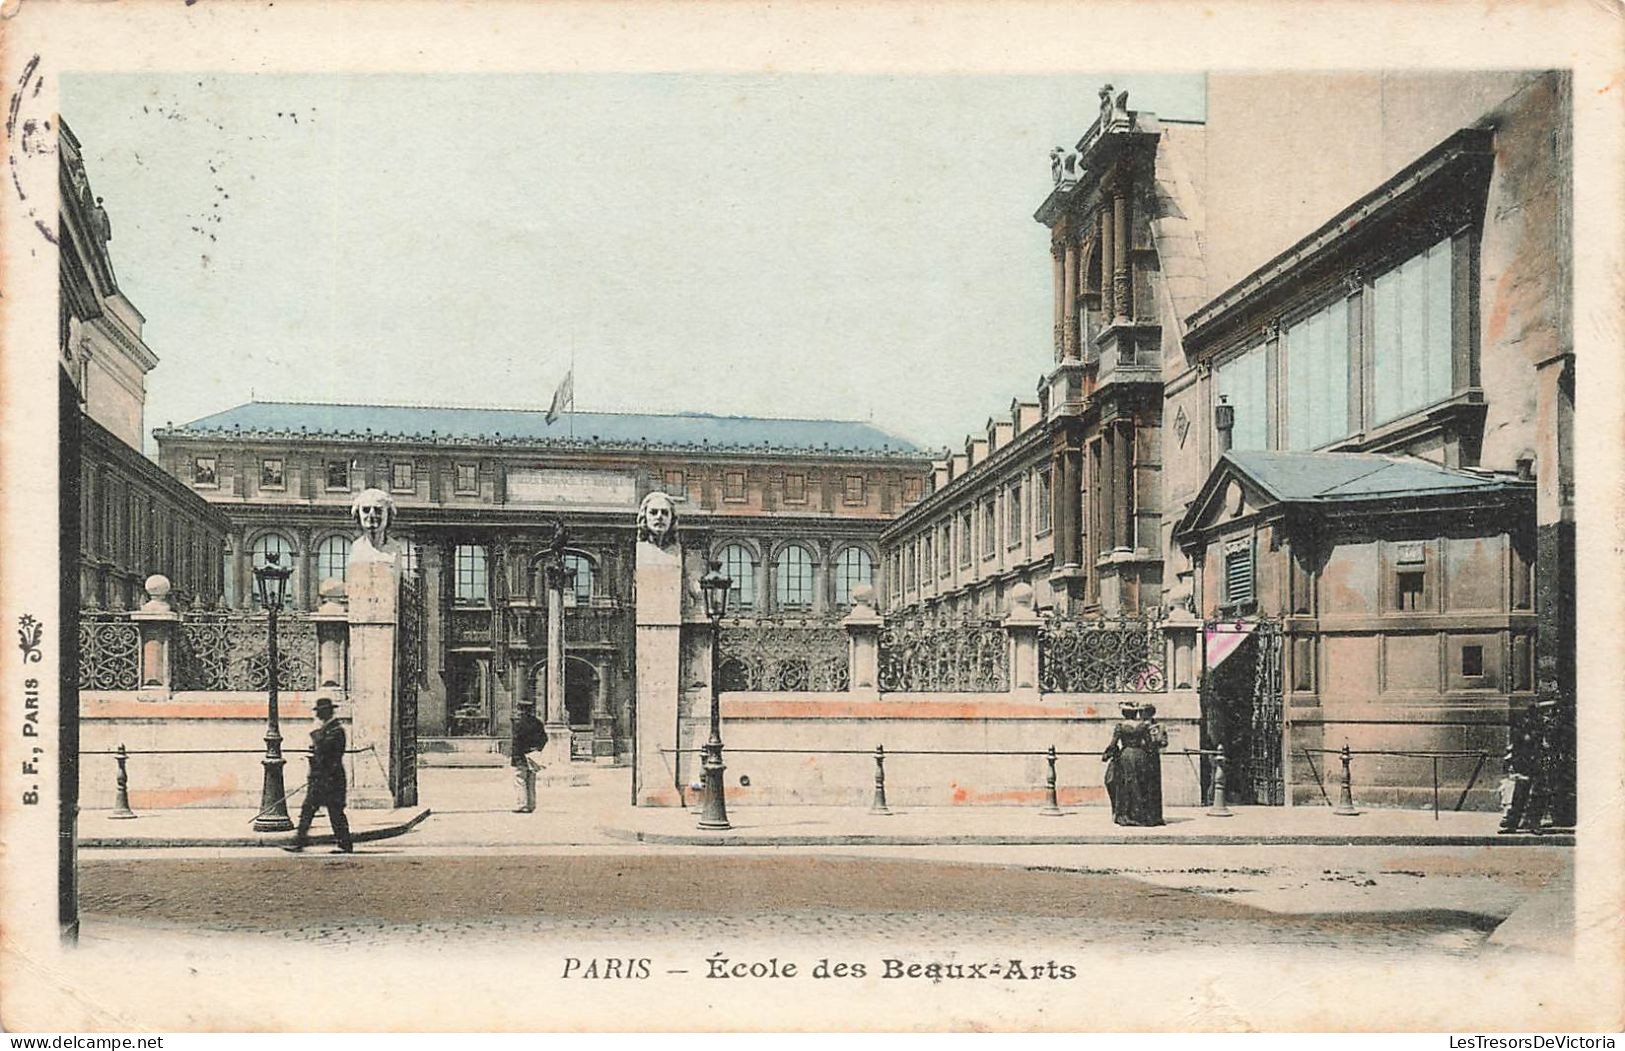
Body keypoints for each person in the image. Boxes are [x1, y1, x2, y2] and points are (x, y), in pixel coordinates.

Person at [284, 696, 353, 853]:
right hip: (320, 778)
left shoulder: (336, 730)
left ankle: (345, 844)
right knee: (308, 810)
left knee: (335, 813)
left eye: (320, 712)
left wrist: (315, 733)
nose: (318, 715)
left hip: (331, 779)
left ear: (327, 712)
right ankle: (300, 842)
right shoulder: (327, 729)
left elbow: (325, 748)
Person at [1102, 701, 1169, 826]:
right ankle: (1141, 816)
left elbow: (1113, 744)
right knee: (1141, 784)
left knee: (1126, 785)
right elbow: (1149, 743)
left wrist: (1107, 754)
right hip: (1140, 755)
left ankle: (1126, 815)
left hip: (1126, 755)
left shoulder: (1120, 726)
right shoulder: (1142, 726)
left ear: (1124, 714)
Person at [510, 702, 547, 813]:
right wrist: (537, 749)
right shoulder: (537, 723)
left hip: (521, 756)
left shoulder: (519, 724)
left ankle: (522, 804)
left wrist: (515, 757)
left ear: (521, 710)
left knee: (520, 780)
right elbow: (544, 738)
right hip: (533, 755)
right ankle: (531, 804)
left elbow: (516, 742)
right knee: (531, 780)